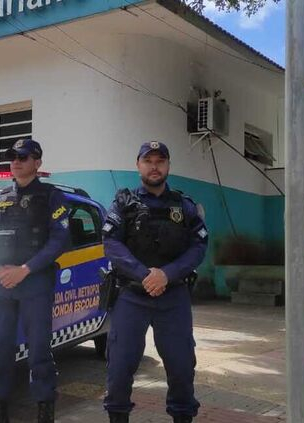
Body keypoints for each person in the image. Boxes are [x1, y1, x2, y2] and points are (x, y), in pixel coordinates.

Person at [102, 141, 209, 423]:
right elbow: (111, 243)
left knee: (182, 366)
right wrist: (144, 274)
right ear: (138, 165)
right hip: (132, 295)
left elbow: (198, 246)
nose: (154, 166)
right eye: (148, 160)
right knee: (120, 366)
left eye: (160, 160)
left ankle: (183, 417)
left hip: (173, 296)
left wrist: (167, 274)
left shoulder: (184, 206)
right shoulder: (123, 204)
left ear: (168, 166)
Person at [0, 138, 70, 423]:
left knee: (39, 351)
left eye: (24, 156)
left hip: (35, 285)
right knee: (0, 350)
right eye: (12, 156)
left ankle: (44, 410)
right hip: (2, 285)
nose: (16, 161)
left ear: (38, 162)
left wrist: (26, 269)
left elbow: (60, 240)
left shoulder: (52, 197)